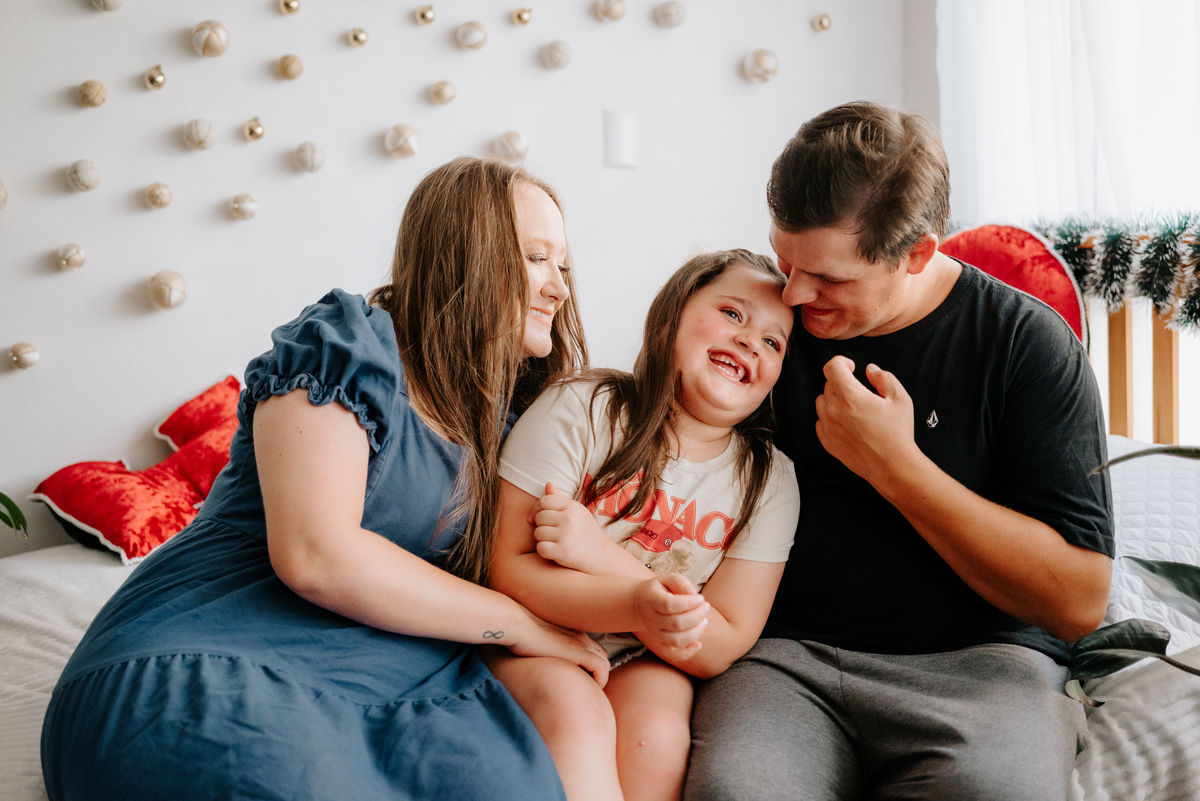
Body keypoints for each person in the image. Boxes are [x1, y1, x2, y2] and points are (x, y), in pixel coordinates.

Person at [41, 157, 612, 801]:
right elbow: (315, 554)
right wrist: (517, 623)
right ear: (465, 253)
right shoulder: (346, 346)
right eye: (537, 258)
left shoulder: (518, 430)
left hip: (395, 675)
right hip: (215, 652)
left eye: (564, 266)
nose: (559, 289)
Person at [684, 102, 1114, 801]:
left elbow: (1079, 600)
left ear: (917, 253)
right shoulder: (766, 325)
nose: (794, 292)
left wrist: (896, 467)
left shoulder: (1024, 344)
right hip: (788, 659)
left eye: (829, 278)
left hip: (984, 667)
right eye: (786, 259)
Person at [486, 250, 802, 801]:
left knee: (655, 743)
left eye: (774, 343)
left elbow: (721, 643)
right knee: (576, 717)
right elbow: (504, 568)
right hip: (536, 632)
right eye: (732, 313)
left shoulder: (769, 481)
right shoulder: (584, 407)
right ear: (673, 312)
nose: (751, 341)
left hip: (647, 654)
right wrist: (637, 607)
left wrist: (602, 559)